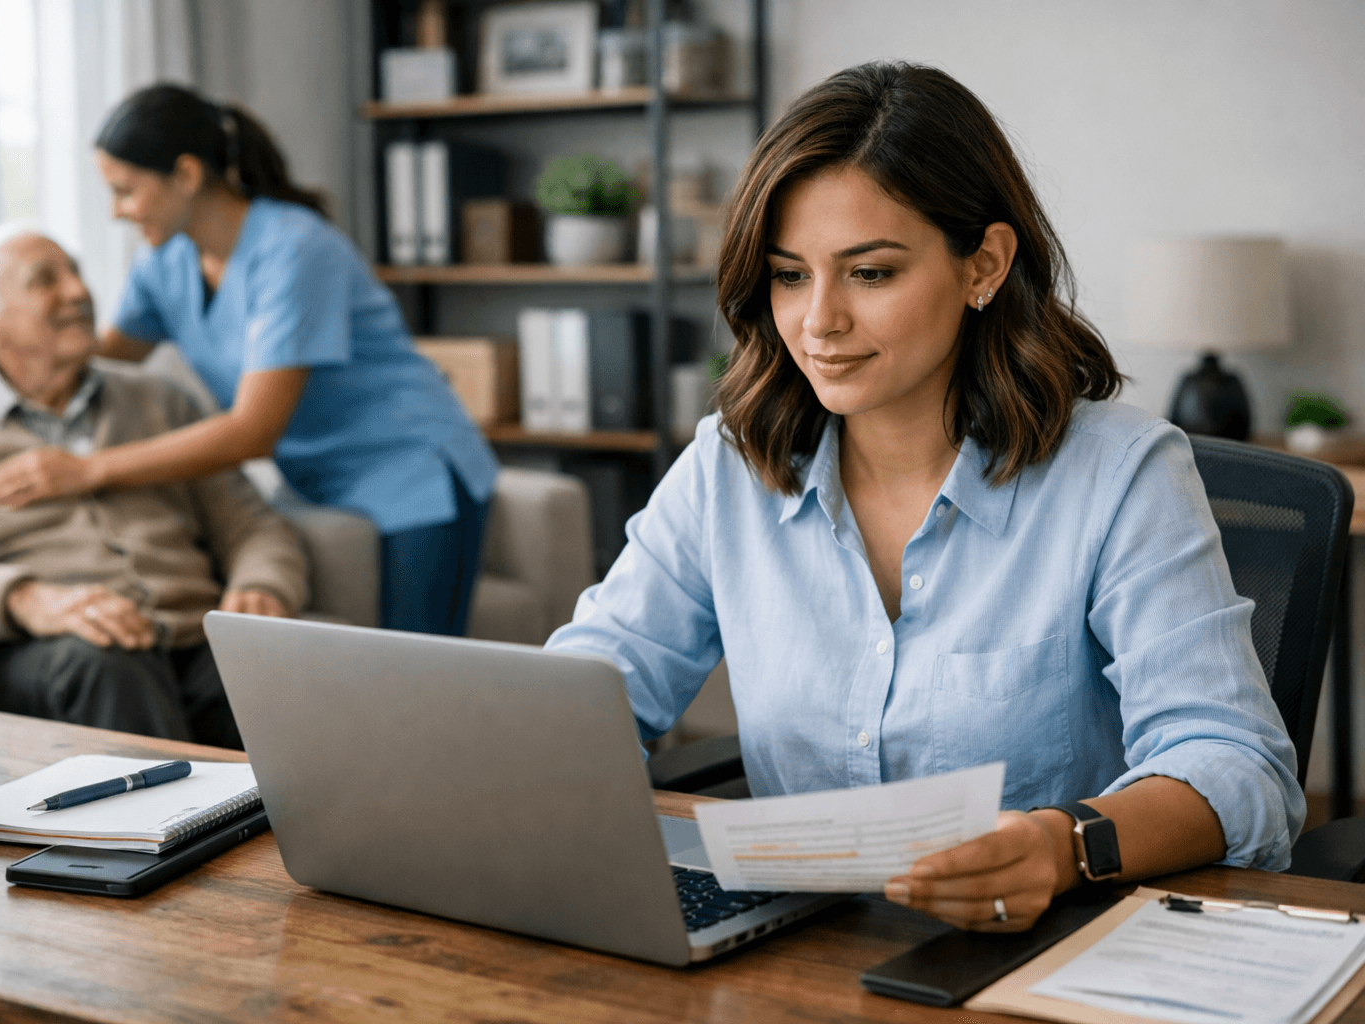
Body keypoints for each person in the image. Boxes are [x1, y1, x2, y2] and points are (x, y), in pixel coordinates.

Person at [545, 63, 1303, 932]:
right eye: (790, 276)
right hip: (800, 947)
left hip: (1045, 946)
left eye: (869, 274)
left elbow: (1238, 766)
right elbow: (589, 692)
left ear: (983, 265)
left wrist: (1063, 845)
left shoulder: (1121, 473)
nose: (818, 321)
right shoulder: (730, 466)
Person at [0, 83, 497, 636]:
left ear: (186, 175)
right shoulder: (166, 263)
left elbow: (253, 430)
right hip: (318, 474)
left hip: (413, 465)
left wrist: (88, 468)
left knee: (418, 669)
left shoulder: (294, 250)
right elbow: (89, 355)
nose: (116, 212)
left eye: (125, 190)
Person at [0, 224, 309, 747]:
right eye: (45, 280)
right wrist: (25, 598)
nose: (78, 291)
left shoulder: (159, 399)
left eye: (77, 273)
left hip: (187, 634)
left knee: (280, 674)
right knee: (107, 668)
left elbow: (252, 523)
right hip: (44, 652)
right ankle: (168, 830)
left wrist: (263, 585)